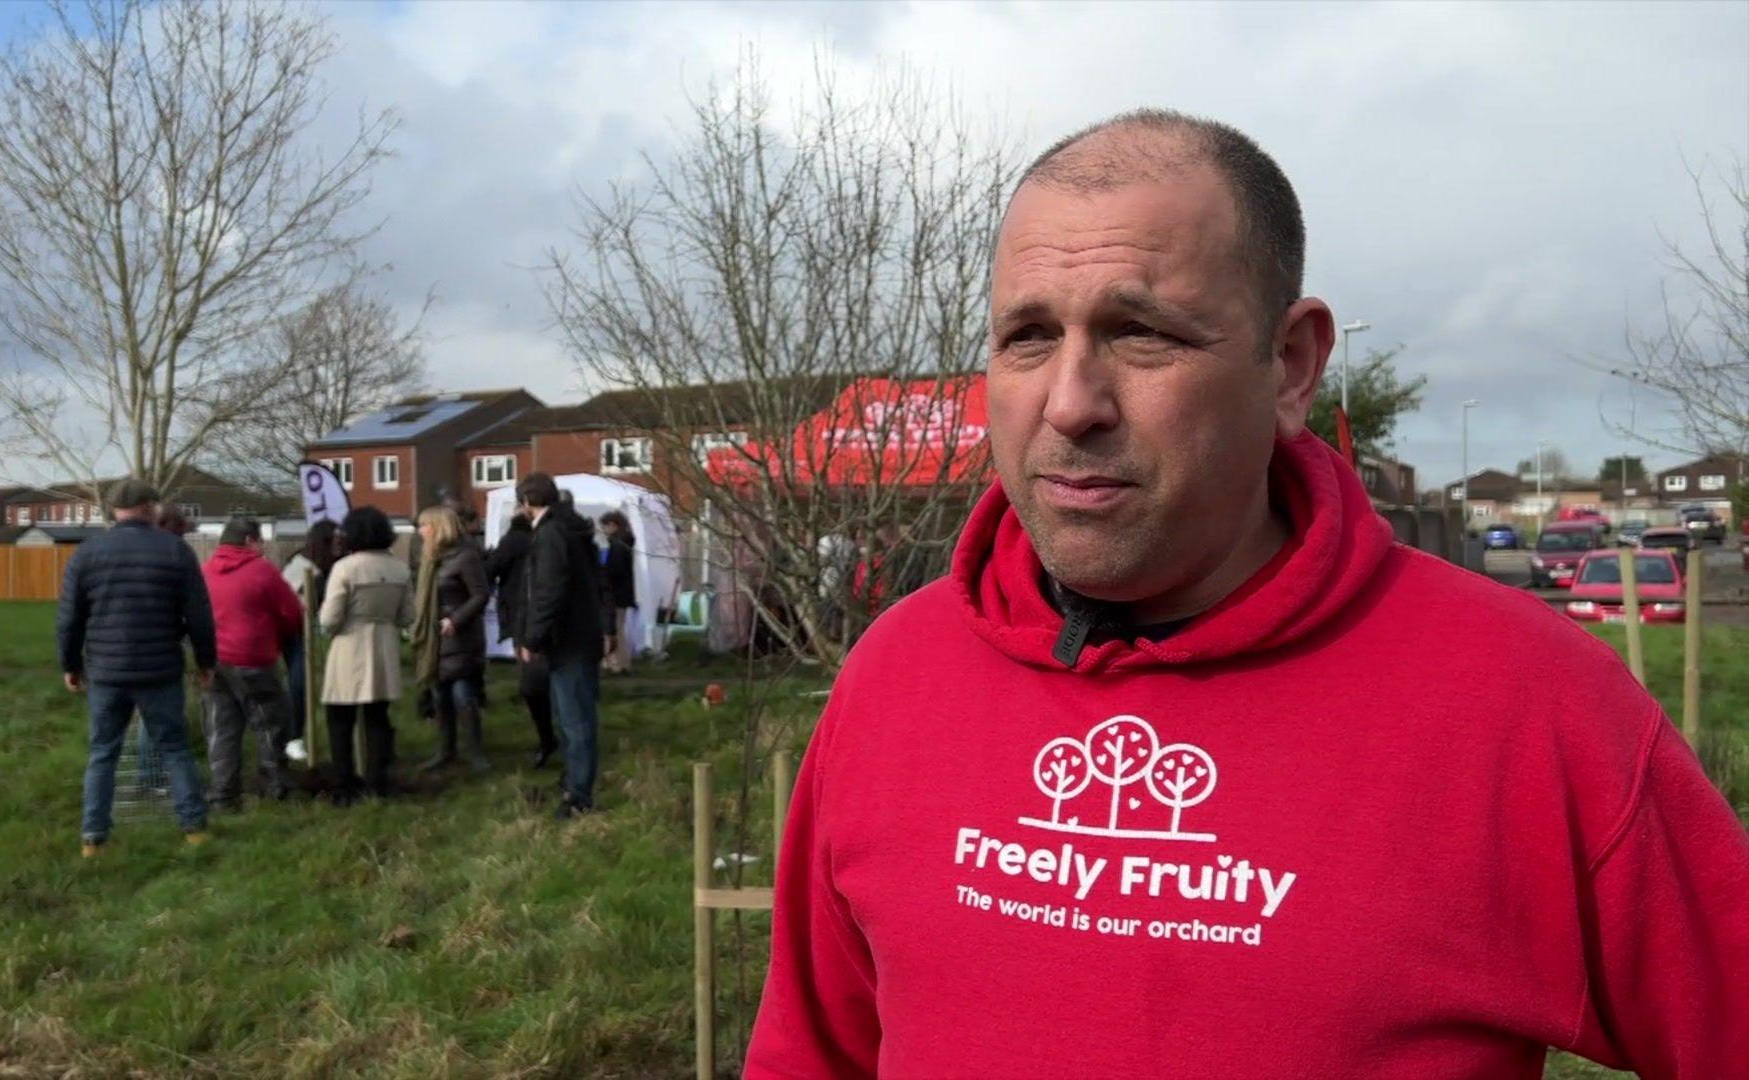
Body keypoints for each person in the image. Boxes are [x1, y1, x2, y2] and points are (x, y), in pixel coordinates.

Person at [747, 110, 1749, 1077]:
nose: (1069, 402)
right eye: (1028, 336)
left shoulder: (1527, 703)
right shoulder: (896, 673)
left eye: (1142, 333)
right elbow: (810, 1057)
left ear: (1290, 365)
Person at [57, 478, 213, 856]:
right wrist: (206, 661)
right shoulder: (176, 551)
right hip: (160, 668)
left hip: (107, 671)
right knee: (174, 748)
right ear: (149, 508)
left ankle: (93, 837)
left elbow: (69, 618)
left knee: (102, 752)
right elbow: (199, 615)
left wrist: (71, 664)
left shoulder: (87, 554)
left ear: (114, 510)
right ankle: (193, 828)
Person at [516, 472, 607, 818]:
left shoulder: (551, 534)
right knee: (572, 716)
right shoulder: (572, 529)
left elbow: (547, 590)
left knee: (574, 720)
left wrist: (533, 637)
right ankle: (574, 781)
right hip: (581, 634)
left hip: (567, 639)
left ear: (526, 501)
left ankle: (578, 795)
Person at [200, 517, 301, 809]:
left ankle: (223, 794)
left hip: (215, 660)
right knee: (270, 723)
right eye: (260, 540)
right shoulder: (262, 570)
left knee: (222, 728)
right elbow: (291, 613)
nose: (264, 546)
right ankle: (275, 785)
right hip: (253, 657)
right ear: (249, 540)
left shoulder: (205, 571)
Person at [318, 506, 413, 805]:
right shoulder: (400, 568)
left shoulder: (345, 568)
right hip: (384, 643)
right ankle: (377, 782)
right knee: (377, 718)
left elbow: (329, 618)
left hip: (349, 644)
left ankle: (344, 786)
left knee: (340, 719)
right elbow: (407, 615)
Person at [413, 505, 491, 771]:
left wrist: (456, 620)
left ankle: (476, 753)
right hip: (435, 639)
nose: (421, 531)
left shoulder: (465, 556)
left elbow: (480, 594)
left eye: (425, 525)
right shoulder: (430, 559)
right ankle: (445, 750)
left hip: (460, 637)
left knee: (463, 694)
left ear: (439, 527)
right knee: (440, 696)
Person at [488, 510, 557, 768]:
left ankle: (547, 738)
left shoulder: (514, 540)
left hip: (521, 614)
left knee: (532, 681)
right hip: (542, 616)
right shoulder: (546, 540)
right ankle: (552, 737)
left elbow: (492, 569)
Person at [280, 520, 339, 761]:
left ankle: (293, 737)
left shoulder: (325, 565)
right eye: (335, 539)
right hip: (291, 630)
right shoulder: (302, 566)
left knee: (300, 682)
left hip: (305, 629)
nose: (340, 544)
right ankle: (293, 737)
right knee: (298, 683)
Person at [597, 510, 638, 674]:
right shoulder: (624, 543)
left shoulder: (617, 546)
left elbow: (616, 570)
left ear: (613, 526)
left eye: (605, 527)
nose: (604, 531)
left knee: (615, 629)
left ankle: (618, 664)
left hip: (616, 594)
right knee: (619, 628)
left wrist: (603, 571)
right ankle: (621, 662)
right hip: (623, 593)